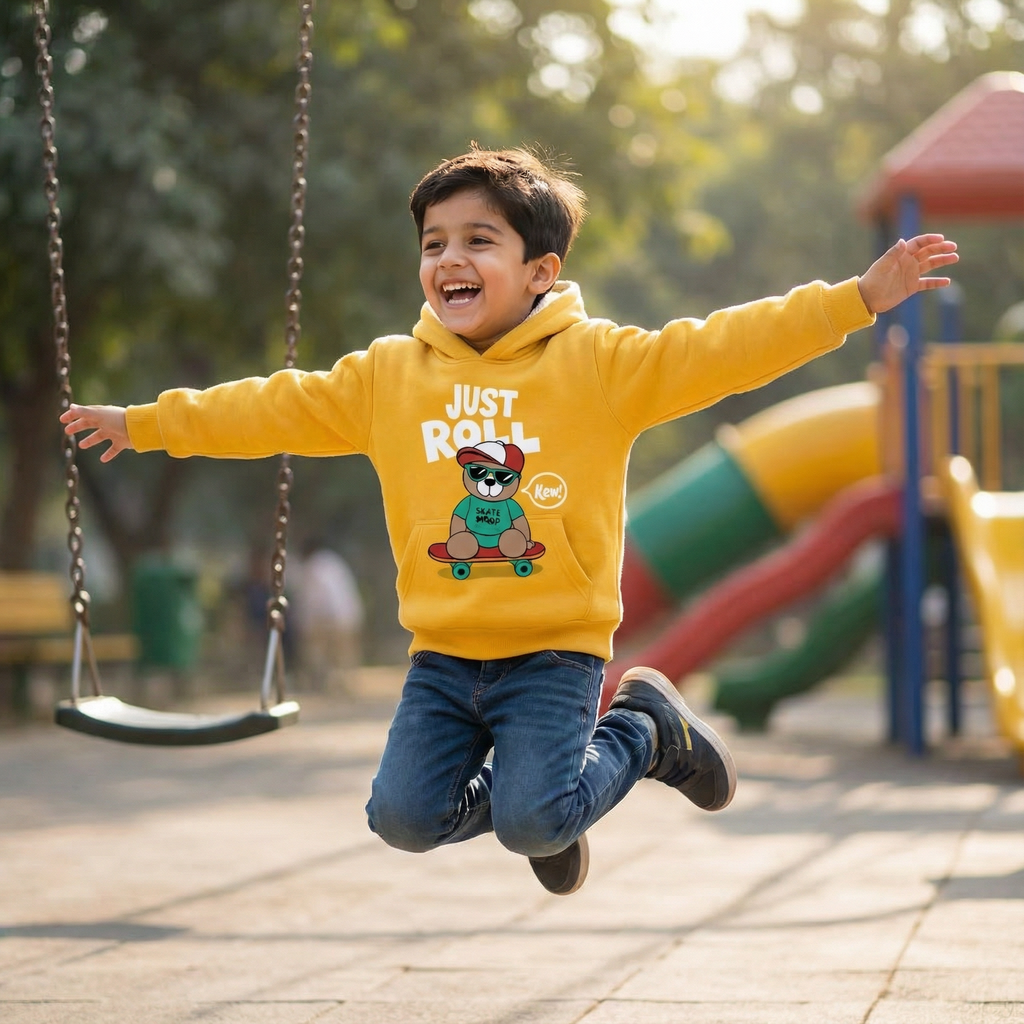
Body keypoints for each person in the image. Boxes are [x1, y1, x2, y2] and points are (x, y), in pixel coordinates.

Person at [61, 147, 957, 896]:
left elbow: (726, 345)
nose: (449, 258)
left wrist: (857, 299)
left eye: (478, 240)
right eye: (434, 242)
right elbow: (268, 407)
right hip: (444, 656)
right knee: (402, 819)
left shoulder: (602, 365)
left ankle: (644, 727)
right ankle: (551, 802)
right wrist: (146, 424)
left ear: (540, 272)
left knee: (533, 821)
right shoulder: (387, 378)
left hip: (555, 653)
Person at [291, 540, 364, 693]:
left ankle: (326, 686)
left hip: (330, 617)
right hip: (347, 614)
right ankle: (343, 686)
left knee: (320, 654)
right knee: (343, 655)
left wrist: (307, 622)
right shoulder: (332, 562)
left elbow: (317, 599)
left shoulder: (315, 566)